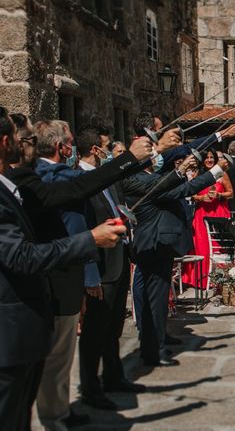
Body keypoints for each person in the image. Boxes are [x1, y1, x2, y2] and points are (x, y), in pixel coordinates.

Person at [0, 106, 125, 430]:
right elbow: (22, 255)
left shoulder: (14, 186)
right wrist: (92, 241)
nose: (27, 143)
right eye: (22, 137)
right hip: (21, 314)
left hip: (41, 301)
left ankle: (57, 414)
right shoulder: (30, 182)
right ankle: (56, 416)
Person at [123, 154, 229, 367]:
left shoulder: (149, 179)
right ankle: (155, 347)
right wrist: (216, 171)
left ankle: (159, 335)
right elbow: (185, 190)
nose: (158, 158)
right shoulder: (144, 182)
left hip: (157, 243)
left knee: (158, 296)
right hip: (155, 243)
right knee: (155, 298)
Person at [76, 127, 146, 411]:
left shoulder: (108, 181)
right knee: (94, 333)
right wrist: (90, 275)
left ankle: (114, 376)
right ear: (96, 149)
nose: (108, 152)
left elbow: (117, 210)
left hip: (117, 262)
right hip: (100, 268)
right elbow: (81, 228)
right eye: (106, 146)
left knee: (113, 328)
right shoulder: (80, 181)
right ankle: (90, 388)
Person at [182, 150, 233, 288]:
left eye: (212, 157)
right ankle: (201, 279)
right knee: (201, 245)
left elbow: (231, 193)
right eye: (207, 158)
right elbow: (190, 195)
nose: (209, 160)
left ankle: (220, 278)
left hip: (219, 213)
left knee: (219, 245)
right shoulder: (199, 175)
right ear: (203, 160)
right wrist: (201, 198)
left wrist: (219, 195)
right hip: (201, 215)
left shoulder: (223, 174)